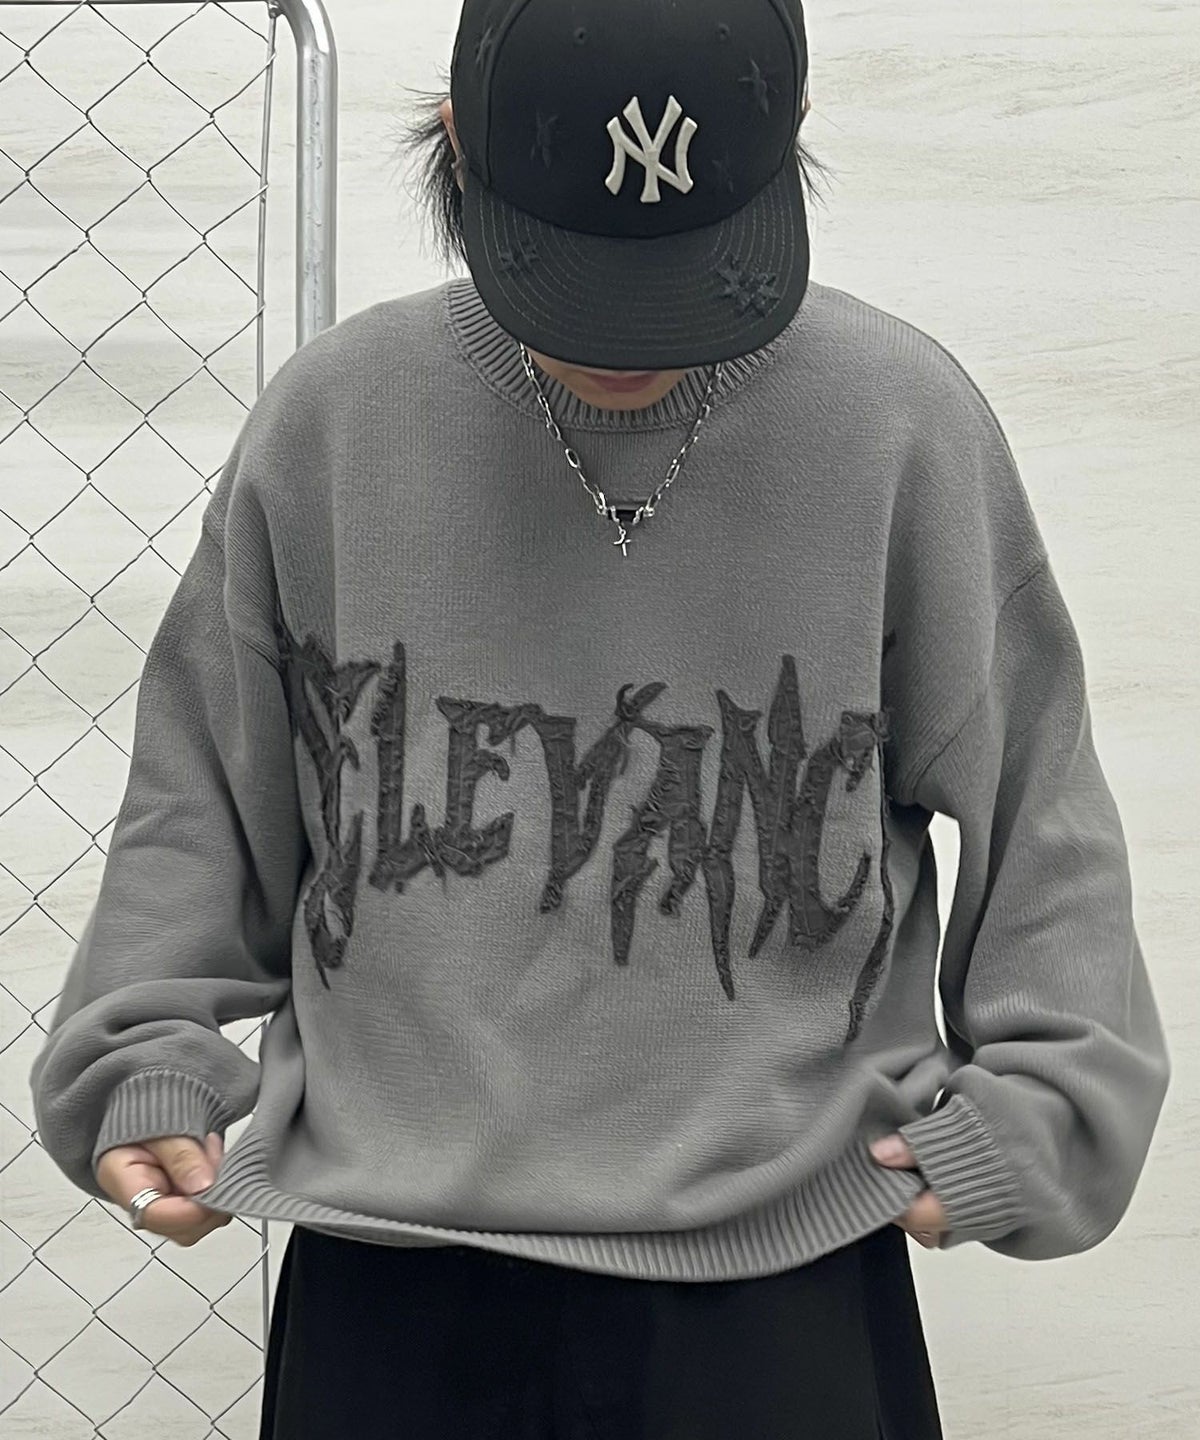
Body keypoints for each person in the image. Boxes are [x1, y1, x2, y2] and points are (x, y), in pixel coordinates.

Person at [29, 0, 1171, 1436]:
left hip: (781, 1290)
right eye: (574, 270)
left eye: (686, 271)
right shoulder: (334, 421)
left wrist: (1045, 1111)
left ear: (789, 138)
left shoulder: (896, 421)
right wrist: (142, 1062)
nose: (630, 338)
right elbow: (203, 794)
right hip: (392, 1286)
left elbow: (1039, 798)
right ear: (459, 141)